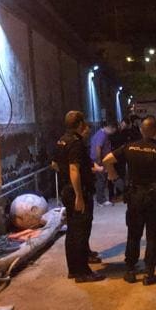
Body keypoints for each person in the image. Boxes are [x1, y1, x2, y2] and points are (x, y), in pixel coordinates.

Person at [103, 117, 156, 286]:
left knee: (134, 234)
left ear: (141, 130)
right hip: (155, 198)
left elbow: (107, 160)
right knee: (153, 236)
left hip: (135, 197)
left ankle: (130, 271)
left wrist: (113, 176)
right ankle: (149, 273)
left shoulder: (130, 147)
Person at [54, 111, 105, 283]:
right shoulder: (76, 142)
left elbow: (55, 164)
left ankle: (74, 269)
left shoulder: (61, 140)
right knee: (80, 232)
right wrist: (79, 195)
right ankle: (83, 271)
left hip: (66, 190)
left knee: (73, 231)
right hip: (76, 191)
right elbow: (74, 169)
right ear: (79, 124)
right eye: (83, 121)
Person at [90, 120, 117, 207]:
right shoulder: (102, 135)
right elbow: (98, 147)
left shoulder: (100, 134)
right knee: (101, 180)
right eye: (113, 130)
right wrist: (99, 161)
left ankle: (101, 199)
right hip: (99, 161)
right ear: (110, 127)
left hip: (100, 160)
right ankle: (100, 200)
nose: (113, 132)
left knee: (102, 180)